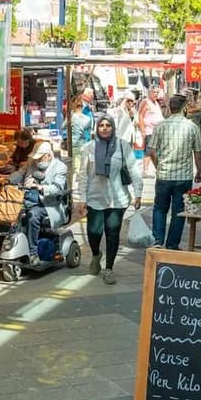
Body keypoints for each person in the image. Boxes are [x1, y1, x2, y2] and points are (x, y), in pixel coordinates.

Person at [77, 115, 142, 285]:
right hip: (95, 198)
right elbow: (83, 175)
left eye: (108, 125)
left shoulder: (122, 146)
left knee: (112, 233)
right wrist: (82, 198)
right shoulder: (89, 148)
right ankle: (96, 254)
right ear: (96, 128)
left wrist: (138, 193)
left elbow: (133, 169)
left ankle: (109, 269)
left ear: (113, 127)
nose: (105, 128)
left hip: (117, 199)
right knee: (94, 232)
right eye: (101, 125)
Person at [147, 94, 201, 250]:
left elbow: (152, 152)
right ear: (184, 108)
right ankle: (172, 244)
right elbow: (197, 154)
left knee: (160, 208)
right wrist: (199, 171)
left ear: (170, 108)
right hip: (183, 178)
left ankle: (158, 241)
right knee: (178, 212)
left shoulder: (160, 126)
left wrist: (158, 166)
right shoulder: (192, 127)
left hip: (163, 175)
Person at [11, 142, 69, 247]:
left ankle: (32, 251)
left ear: (48, 155)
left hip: (48, 204)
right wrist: (8, 180)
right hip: (27, 199)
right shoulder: (31, 162)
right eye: (35, 158)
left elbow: (57, 188)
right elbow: (20, 174)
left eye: (39, 158)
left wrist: (40, 187)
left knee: (32, 216)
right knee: (9, 213)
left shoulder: (60, 167)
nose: (36, 161)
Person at [138, 88, 165, 177]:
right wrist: (142, 130)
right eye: (154, 92)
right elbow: (140, 116)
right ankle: (145, 170)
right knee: (149, 151)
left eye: (157, 92)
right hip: (149, 130)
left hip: (157, 131)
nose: (156, 94)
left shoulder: (156, 103)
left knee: (154, 151)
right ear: (149, 93)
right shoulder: (146, 102)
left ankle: (158, 169)